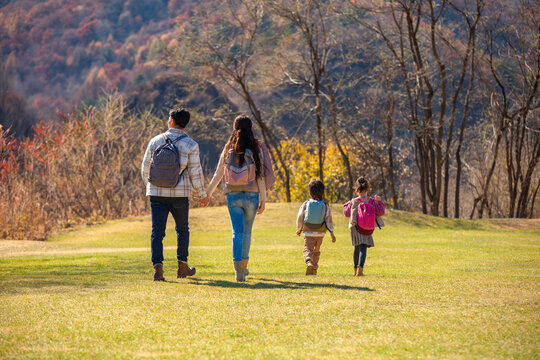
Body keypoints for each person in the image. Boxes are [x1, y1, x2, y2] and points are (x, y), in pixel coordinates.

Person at [200, 115, 274, 282]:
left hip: (233, 195)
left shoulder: (229, 147)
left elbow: (219, 173)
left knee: (237, 233)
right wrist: (263, 198)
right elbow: (261, 175)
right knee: (247, 232)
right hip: (252, 195)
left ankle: (238, 271)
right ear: (251, 128)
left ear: (234, 128)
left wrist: (208, 194)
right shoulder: (257, 147)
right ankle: (244, 266)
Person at [141, 108, 207, 281]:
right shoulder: (191, 144)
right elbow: (195, 173)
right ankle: (182, 266)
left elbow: (145, 168)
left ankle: (158, 269)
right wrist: (202, 194)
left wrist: (152, 186)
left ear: (171, 121)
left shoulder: (155, 141)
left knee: (157, 232)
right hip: (180, 195)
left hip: (157, 194)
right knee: (182, 230)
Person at [343, 176, 385, 276]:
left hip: (356, 227)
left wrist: (347, 204)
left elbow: (346, 213)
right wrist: (379, 201)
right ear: (368, 189)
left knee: (356, 247)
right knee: (363, 247)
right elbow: (381, 212)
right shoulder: (372, 201)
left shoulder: (354, 201)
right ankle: (360, 269)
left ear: (356, 189)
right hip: (368, 228)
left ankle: (354, 270)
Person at [296, 179, 336, 275]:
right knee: (316, 250)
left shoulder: (306, 204)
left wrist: (299, 229)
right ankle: (314, 269)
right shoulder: (325, 205)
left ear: (310, 192)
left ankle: (309, 261)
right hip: (320, 233)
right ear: (322, 192)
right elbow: (328, 220)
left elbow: (300, 217)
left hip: (308, 232)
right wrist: (332, 234)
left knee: (307, 249)